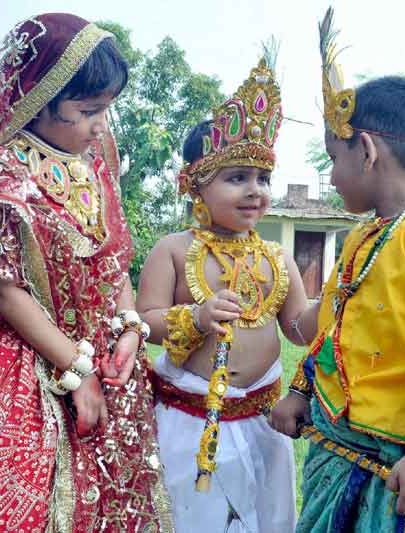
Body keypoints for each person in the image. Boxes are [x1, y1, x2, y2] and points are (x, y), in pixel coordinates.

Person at [0, 13, 171, 532]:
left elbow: (115, 264)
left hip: (106, 360)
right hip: (25, 363)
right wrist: (77, 370)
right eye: (88, 111)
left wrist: (131, 327)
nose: (100, 125)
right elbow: (7, 290)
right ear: (35, 98)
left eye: (106, 110)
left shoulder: (96, 164)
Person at [270, 9, 405, 532]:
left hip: (399, 461)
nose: (332, 175)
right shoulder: (362, 237)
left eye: (333, 159)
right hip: (338, 441)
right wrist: (302, 390)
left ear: (364, 151)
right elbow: (335, 329)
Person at [136, 53, 308, 533]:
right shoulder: (172, 250)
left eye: (263, 179)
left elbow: (297, 329)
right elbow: (142, 318)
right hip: (191, 421)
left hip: (264, 420)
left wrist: (333, 302)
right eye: (238, 178)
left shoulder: (278, 257)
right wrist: (195, 316)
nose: (255, 191)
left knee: (269, 516)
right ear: (194, 185)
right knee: (193, 517)